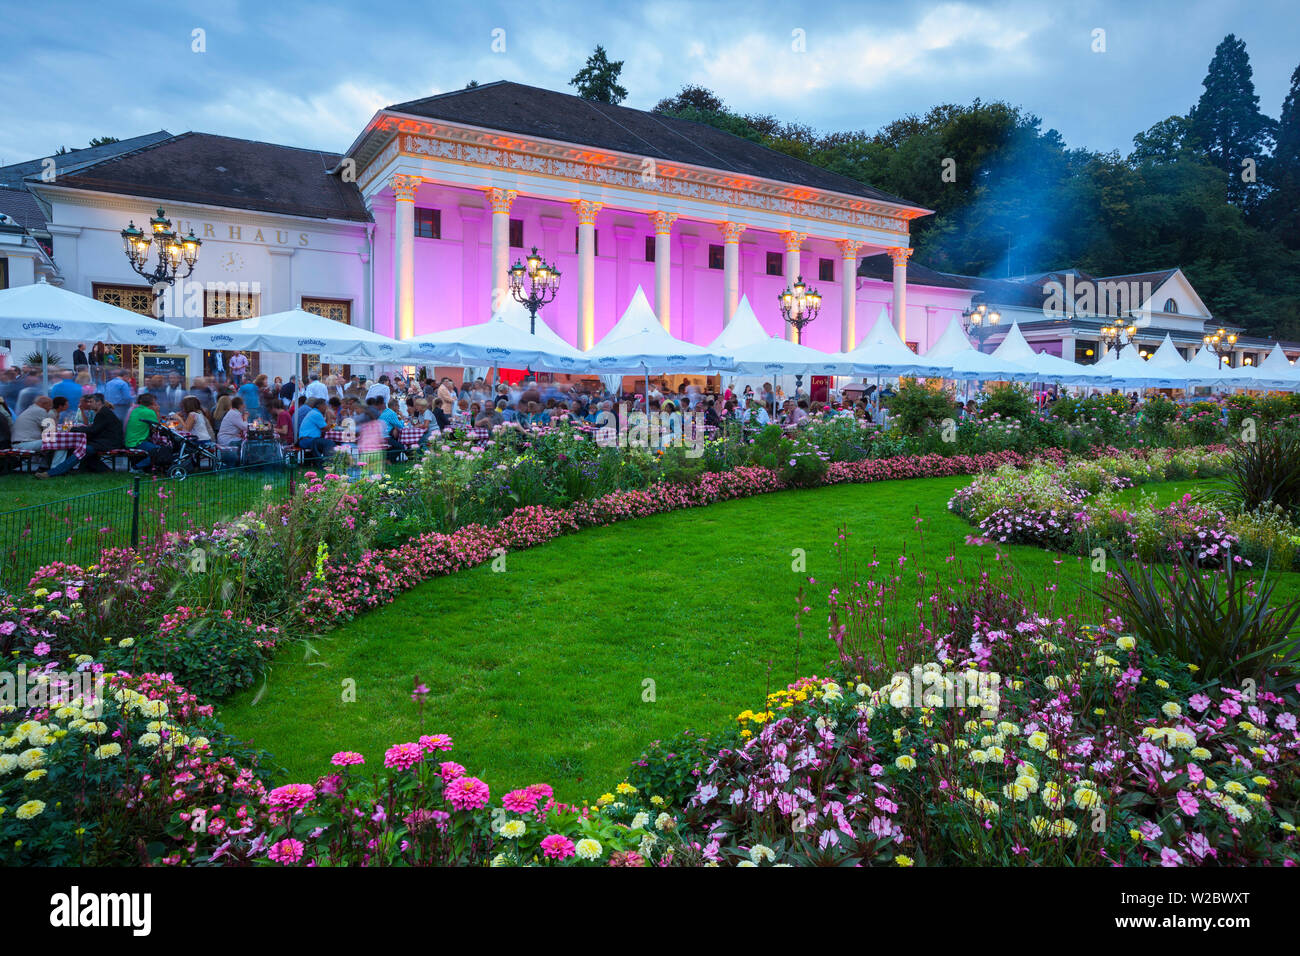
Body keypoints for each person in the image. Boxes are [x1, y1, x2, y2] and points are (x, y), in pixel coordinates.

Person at [123, 393, 162, 471]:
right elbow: (158, 427)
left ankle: (144, 468)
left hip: (129, 441)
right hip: (137, 442)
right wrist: (157, 411)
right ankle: (137, 467)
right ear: (153, 403)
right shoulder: (149, 412)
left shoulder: (135, 410)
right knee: (160, 451)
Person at [217, 395, 249, 462]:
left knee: (246, 441)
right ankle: (247, 463)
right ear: (240, 405)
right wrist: (245, 417)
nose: (245, 406)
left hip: (226, 438)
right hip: (227, 440)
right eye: (243, 404)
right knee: (248, 444)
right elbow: (245, 427)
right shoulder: (234, 414)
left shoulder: (233, 412)